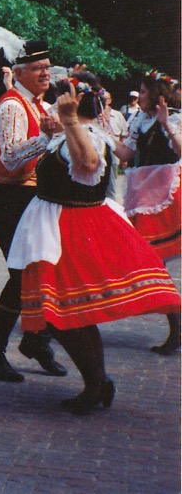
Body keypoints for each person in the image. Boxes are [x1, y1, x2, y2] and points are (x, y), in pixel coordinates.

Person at [4, 74, 180, 413]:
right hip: (54, 225)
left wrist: (68, 123)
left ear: (72, 103)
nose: (54, 104)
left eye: (59, 99)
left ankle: (96, 383)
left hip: (71, 228)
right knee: (65, 313)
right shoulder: (71, 134)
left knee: (69, 312)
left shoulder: (89, 136)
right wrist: (57, 130)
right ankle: (96, 382)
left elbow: (88, 164)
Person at [0, 32, 68, 382]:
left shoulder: (39, 105)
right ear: (19, 72)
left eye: (47, 68)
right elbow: (11, 157)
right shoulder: (14, 105)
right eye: (37, 69)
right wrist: (46, 138)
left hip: (32, 197)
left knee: (39, 271)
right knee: (22, 274)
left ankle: (35, 340)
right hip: (11, 197)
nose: (46, 74)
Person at [117, 70, 182, 355]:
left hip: (166, 194)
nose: (139, 96)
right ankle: (175, 327)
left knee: (155, 261)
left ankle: (176, 329)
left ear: (156, 94)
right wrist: (96, 134)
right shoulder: (138, 120)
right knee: (152, 262)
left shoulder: (175, 116)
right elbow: (127, 155)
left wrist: (167, 124)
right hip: (143, 194)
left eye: (143, 91)